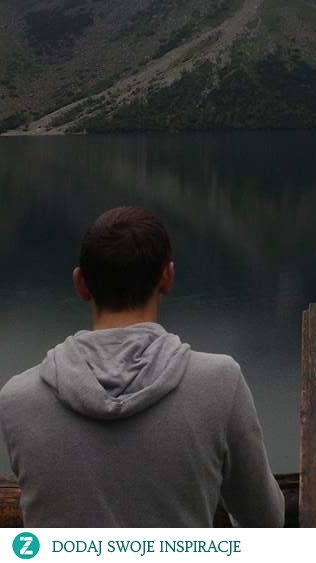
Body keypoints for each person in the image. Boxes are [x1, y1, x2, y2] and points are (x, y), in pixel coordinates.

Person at [0, 206, 284, 529]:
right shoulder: (220, 384)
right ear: (167, 277)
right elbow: (265, 520)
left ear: (81, 284)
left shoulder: (17, 400)